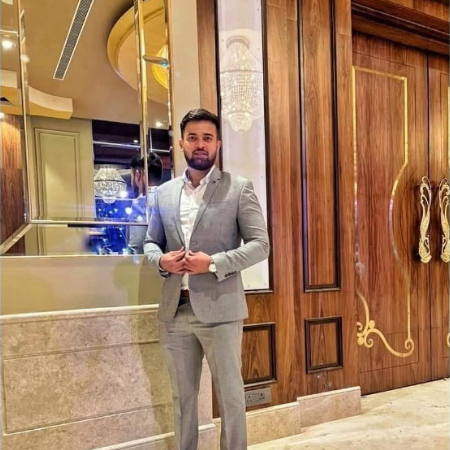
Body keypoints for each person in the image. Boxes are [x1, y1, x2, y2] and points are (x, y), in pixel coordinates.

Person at [144, 108, 270, 450]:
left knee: (230, 397)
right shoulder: (164, 193)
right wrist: (162, 261)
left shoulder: (238, 189)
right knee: (182, 399)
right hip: (175, 311)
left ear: (217, 144)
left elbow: (261, 245)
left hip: (221, 311)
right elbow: (150, 242)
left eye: (207, 138)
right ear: (181, 143)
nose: (200, 144)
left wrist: (213, 263)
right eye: (193, 137)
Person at [128, 152, 163, 254]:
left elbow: (137, 246)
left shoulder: (140, 203)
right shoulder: (168, 196)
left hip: (151, 261)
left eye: (132, 175)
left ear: (137, 175)